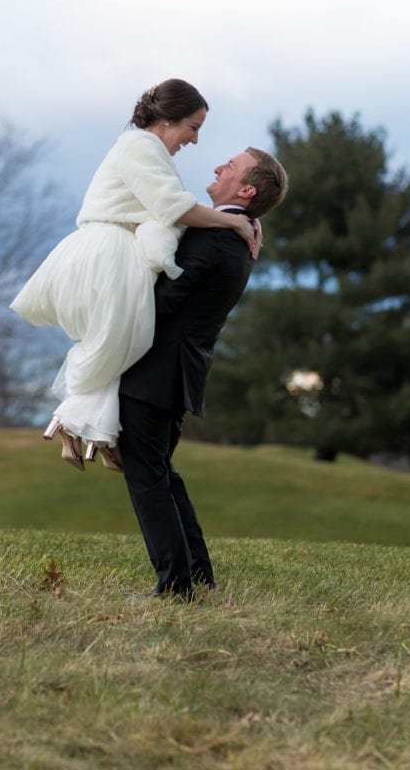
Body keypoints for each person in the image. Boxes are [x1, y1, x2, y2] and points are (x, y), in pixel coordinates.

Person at [9, 80, 261, 471]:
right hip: (107, 255)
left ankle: (93, 433)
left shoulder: (153, 153)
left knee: (129, 345)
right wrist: (235, 225)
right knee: (126, 340)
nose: (194, 140)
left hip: (119, 253)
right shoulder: (139, 146)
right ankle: (76, 423)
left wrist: (242, 220)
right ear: (167, 118)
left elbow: (174, 212)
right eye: (193, 127)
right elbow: (173, 209)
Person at [118, 145, 288, 599]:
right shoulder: (236, 235)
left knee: (148, 476)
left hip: (157, 371)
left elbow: (163, 301)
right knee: (161, 473)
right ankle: (196, 578)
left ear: (246, 189)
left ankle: (175, 586)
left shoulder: (215, 238)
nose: (217, 167)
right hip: (178, 373)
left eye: (229, 166)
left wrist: (111, 307)